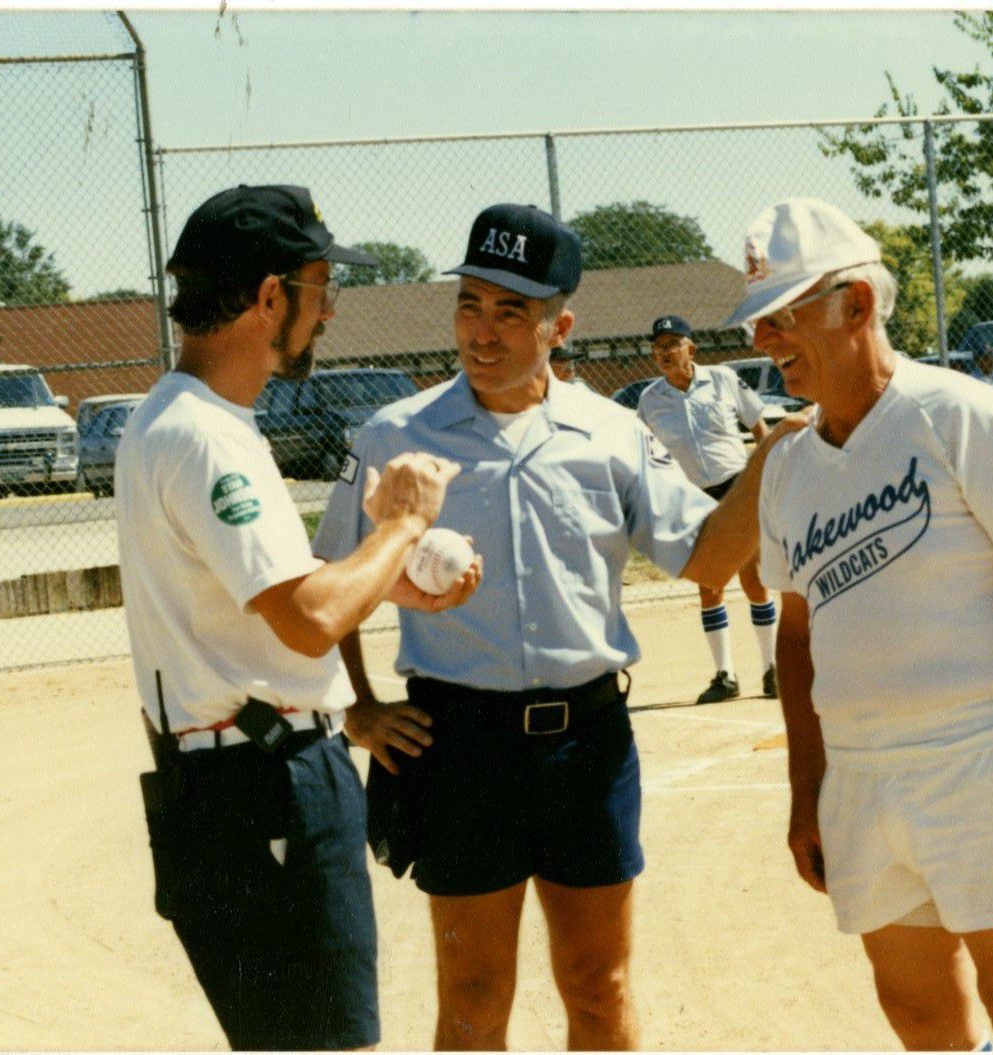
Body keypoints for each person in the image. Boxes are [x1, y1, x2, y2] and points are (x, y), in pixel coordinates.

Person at [313, 202, 799, 1051]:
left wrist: (768, 460)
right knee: (472, 997)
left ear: (559, 326)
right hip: (460, 742)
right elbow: (327, 578)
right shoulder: (396, 433)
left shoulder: (610, 432)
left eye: (511, 312)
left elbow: (705, 558)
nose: (482, 332)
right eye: (469, 305)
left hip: (587, 740)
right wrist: (356, 704)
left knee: (598, 986)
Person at [726, 198, 993, 1051]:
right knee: (917, 1012)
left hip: (979, 757)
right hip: (859, 775)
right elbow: (796, 635)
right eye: (757, 319)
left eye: (782, 314)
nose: (762, 339)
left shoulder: (959, 415)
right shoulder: (786, 463)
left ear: (856, 304)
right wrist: (807, 791)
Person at [115, 183, 481, 1051]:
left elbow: (270, 587)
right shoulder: (206, 437)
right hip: (266, 783)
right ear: (271, 296)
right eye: (322, 287)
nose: (330, 310)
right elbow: (310, 621)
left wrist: (388, 580)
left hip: (230, 780)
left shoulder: (175, 417)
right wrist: (403, 525)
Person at [636, 314, 780, 703]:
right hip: (693, 496)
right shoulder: (650, 400)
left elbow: (759, 426)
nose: (664, 352)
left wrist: (767, 475)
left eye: (672, 344)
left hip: (736, 488)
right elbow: (646, 454)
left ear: (691, 349)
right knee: (709, 585)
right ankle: (725, 676)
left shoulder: (722, 379)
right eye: (658, 347)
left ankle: (772, 669)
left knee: (754, 579)